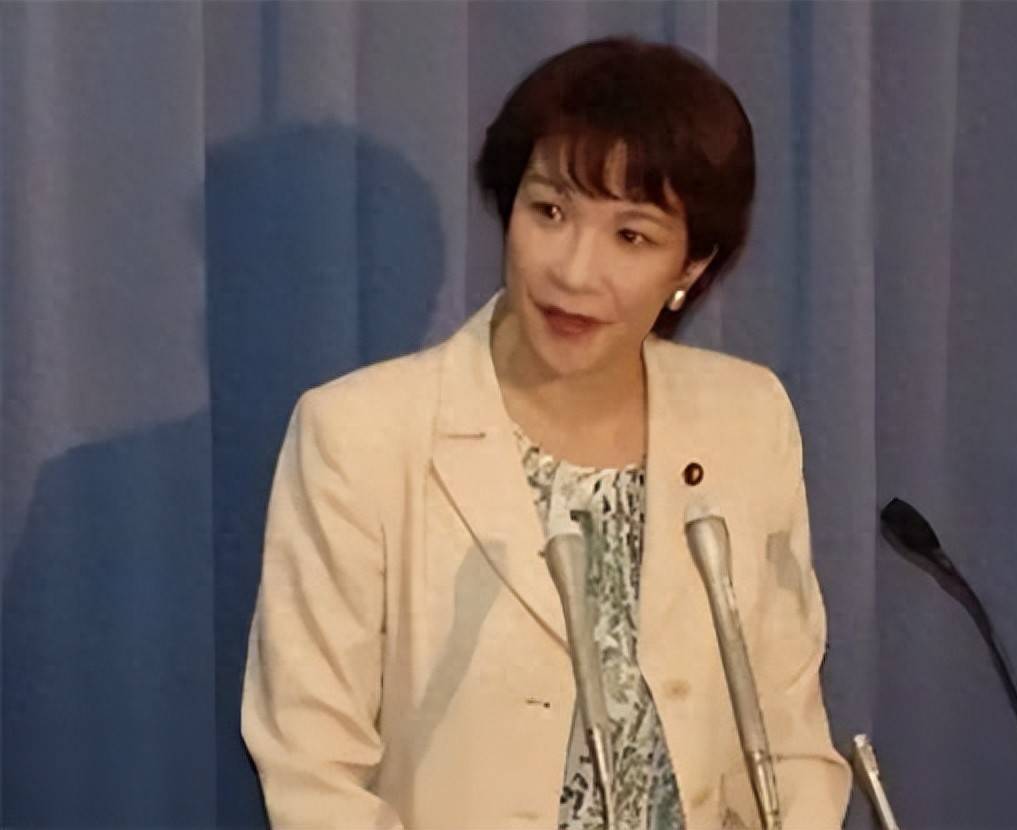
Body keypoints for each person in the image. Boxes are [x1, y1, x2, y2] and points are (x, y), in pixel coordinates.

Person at [241, 35, 851, 830]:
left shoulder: (746, 417)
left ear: (691, 268)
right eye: (550, 212)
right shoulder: (359, 435)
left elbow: (787, 727)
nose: (572, 270)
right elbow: (312, 772)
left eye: (631, 236)